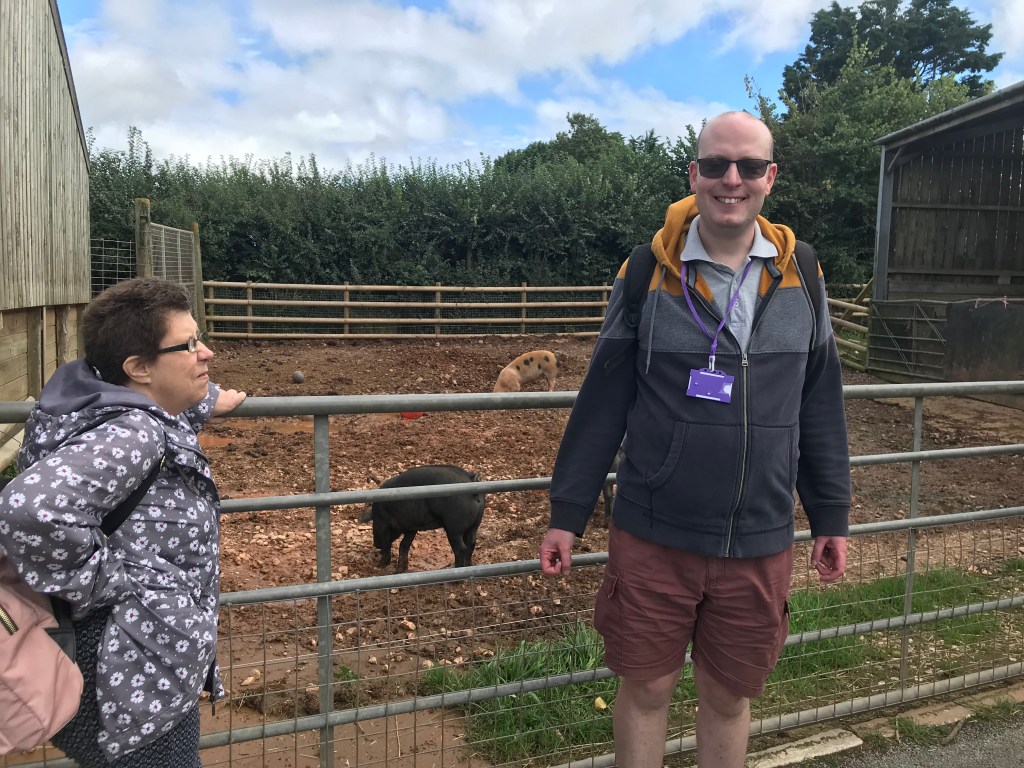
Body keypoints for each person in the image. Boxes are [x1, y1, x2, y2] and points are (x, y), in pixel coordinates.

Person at [539, 111, 851, 768]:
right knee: (647, 687)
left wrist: (831, 514)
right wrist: (568, 512)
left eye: (747, 166)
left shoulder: (804, 274)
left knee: (729, 696)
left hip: (759, 535)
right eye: (715, 165)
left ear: (770, 177)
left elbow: (819, 401)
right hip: (655, 532)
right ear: (693, 174)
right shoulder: (645, 272)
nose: (730, 179)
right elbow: (605, 399)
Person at [0, 277, 246, 767]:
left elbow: (143, 407)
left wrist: (202, 399)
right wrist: (108, 582)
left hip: (118, 652)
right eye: (189, 345)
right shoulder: (134, 432)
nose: (207, 353)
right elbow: (29, 509)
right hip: (131, 666)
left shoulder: (93, 402)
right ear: (138, 368)